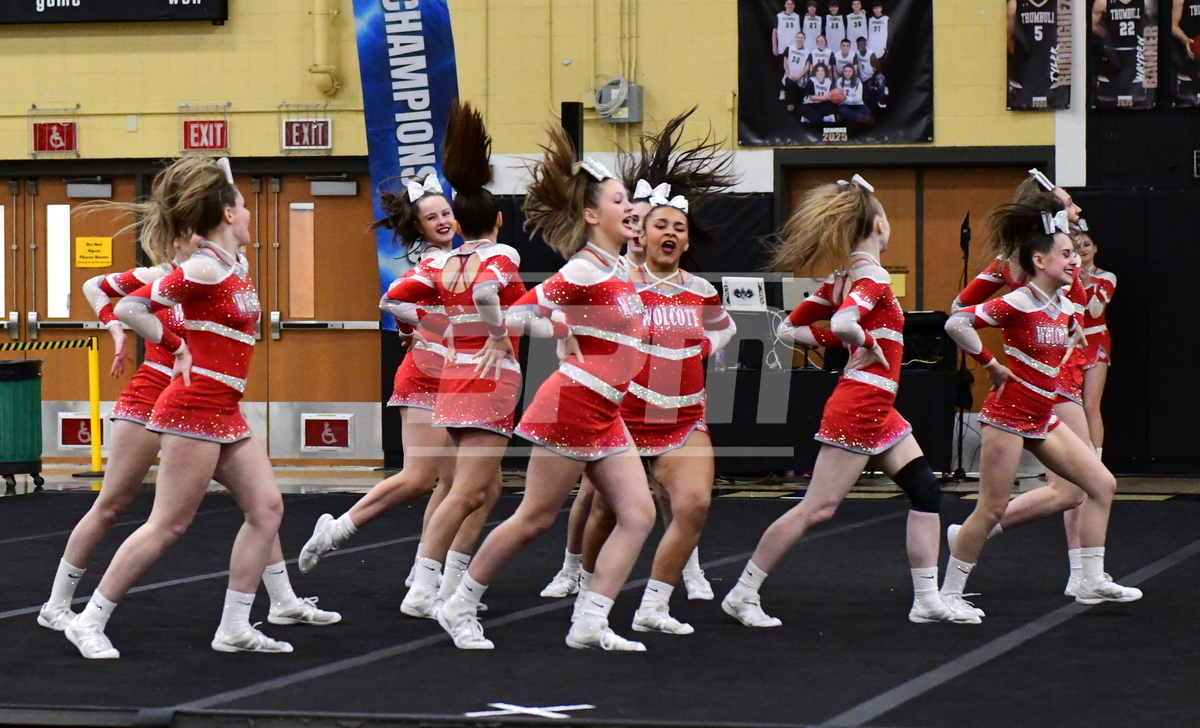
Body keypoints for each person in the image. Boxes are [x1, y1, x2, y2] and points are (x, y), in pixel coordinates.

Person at [41, 232, 337, 635]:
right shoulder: (158, 276)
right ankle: (56, 605)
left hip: (201, 404)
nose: (206, 237)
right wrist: (114, 330)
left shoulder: (221, 270)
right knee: (112, 505)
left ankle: (283, 600)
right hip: (151, 397)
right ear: (178, 237)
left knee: (260, 506)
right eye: (197, 230)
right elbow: (95, 286)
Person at [65, 156, 301, 658]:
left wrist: (217, 178)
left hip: (225, 407)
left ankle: (234, 627)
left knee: (266, 509)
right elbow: (130, 306)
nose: (250, 212)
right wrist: (175, 346)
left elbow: (221, 212)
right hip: (193, 407)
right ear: (229, 214)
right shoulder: (202, 268)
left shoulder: (233, 263)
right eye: (242, 205)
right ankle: (88, 620)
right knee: (167, 525)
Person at [436, 130, 656, 651]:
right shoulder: (582, 267)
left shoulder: (620, 268)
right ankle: (458, 604)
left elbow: (574, 325)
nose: (630, 209)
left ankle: (590, 621)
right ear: (591, 215)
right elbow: (519, 312)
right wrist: (504, 333)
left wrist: (563, 330)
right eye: (619, 201)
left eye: (629, 200)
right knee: (534, 518)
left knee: (639, 515)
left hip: (605, 412)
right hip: (572, 406)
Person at [722, 175, 971, 628]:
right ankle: (743, 592)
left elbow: (789, 330)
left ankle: (927, 599)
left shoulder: (840, 280)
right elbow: (842, 324)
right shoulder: (872, 277)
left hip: (878, 405)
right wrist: (864, 339)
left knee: (925, 490)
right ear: (879, 225)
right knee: (817, 508)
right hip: (861, 403)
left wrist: (856, 339)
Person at [296, 175, 497, 596]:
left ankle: (431, 575)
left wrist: (414, 330)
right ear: (419, 226)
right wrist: (432, 328)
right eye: (432, 217)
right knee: (420, 478)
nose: (443, 221)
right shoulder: (432, 263)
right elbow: (391, 299)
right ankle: (336, 531)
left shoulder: (460, 259)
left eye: (446, 213)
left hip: (456, 380)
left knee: (474, 486)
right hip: (426, 378)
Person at [940, 193, 1141, 614]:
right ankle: (948, 595)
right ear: (1039, 260)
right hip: (1008, 415)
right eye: (1066, 254)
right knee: (991, 508)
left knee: (1101, 484)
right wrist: (990, 363)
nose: (1074, 260)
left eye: (1075, 254)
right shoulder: (1017, 300)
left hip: (1044, 415)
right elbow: (956, 320)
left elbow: (1074, 311)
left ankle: (1090, 578)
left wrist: (1074, 329)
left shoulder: (1064, 301)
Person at [393, 100, 525, 618]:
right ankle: (426, 587)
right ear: (498, 220)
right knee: (467, 492)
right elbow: (490, 294)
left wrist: (424, 328)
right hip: (489, 380)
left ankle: (439, 583)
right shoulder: (501, 254)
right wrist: (497, 334)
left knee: (473, 489)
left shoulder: (445, 263)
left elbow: (392, 299)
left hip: (451, 379)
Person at [946, 169, 1096, 596]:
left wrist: (1067, 319)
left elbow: (1075, 307)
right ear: (1048, 212)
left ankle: (1080, 572)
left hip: (1061, 369)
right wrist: (1009, 330)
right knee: (1078, 484)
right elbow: (959, 309)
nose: (1077, 209)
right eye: (1068, 204)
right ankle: (1082, 573)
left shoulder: (1065, 257)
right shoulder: (1015, 266)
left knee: (1078, 487)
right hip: (1042, 378)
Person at [1076, 230, 1115, 457]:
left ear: (1095, 248)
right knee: (1068, 406)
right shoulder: (1065, 277)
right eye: (1077, 246)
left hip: (1096, 340)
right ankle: (1070, 460)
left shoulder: (1107, 277)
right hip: (1071, 343)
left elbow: (1095, 311)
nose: (1083, 250)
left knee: (1090, 405)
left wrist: (1086, 283)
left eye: (1087, 244)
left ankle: (1095, 461)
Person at [1169, 0, 1200, 105]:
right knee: (1186, 102)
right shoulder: (1180, 1)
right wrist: (1187, 41)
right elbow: (1173, 25)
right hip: (1186, 55)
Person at [782, 31, 811, 112]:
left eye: (801, 38)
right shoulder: (789, 48)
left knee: (799, 100)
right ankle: (789, 103)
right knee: (789, 85)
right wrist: (788, 74)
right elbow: (785, 63)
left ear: (804, 39)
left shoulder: (807, 51)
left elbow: (807, 67)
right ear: (795, 38)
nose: (799, 39)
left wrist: (799, 76)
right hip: (790, 76)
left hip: (801, 79)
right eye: (798, 37)